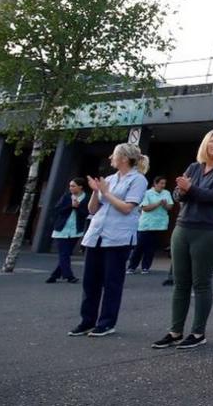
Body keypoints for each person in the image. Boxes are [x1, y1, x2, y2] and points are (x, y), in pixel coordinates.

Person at [152, 128, 213, 350]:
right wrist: (182, 192)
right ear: (205, 145)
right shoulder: (193, 167)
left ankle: (198, 332)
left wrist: (190, 189)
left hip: (208, 230)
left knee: (201, 282)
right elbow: (177, 194)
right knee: (180, 283)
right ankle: (175, 331)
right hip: (183, 226)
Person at [70, 142, 148, 338]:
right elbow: (92, 209)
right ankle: (86, 320)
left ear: (123, 158)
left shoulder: (138, 180)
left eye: (114, 155)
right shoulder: (110, 179)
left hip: (118, 237)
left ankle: (106, 322)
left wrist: (106, 192)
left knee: (111, 282)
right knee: (90, 281)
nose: (110, 158)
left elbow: (127, 207)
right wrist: (96, 191)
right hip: (97, 234)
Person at [47, 177, 91, 283]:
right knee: (64, 254)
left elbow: (86, 213)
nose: (70, 188)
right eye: (70, 186)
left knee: (66, 253)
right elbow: (57, 210)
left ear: (80, 187)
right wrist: (70, 206)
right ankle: (69, 276)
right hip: (61, 229)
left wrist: (77, 207)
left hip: (75, 230)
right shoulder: (66, 197)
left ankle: (54, 275)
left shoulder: (87, 198)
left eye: (73, 186)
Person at [128, 176, 174, 274]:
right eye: (161, 183)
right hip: (146, 224)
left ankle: (146, 267)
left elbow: (170, 207)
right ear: (155, 183)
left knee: (151, 248)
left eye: (164, 183)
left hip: (159, 224)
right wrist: (158, 203)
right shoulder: (147, 193)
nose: (163, 185)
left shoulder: (166, 193)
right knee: (139, 246)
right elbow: (145, 208)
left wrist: (165, 205)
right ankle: (132, 267)